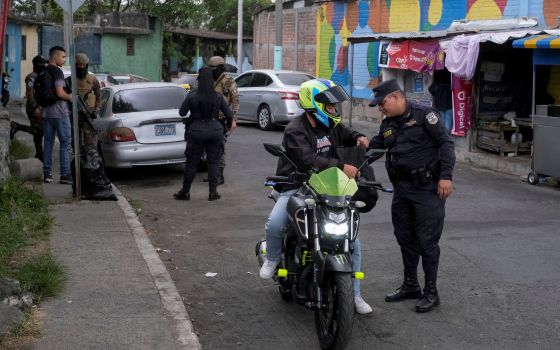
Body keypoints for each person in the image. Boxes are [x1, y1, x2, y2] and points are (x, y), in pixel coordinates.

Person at [259, 79, 374, 315]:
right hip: (296, 185)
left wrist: (359, 137)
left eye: (334, 106)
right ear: (314, 105)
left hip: (325, 187)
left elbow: (347, 134)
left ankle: (355, 295)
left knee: (352, 241)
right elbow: (307, 160)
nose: (334, 109)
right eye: (329, 105)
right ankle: (271, 258)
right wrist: (342, 166)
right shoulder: (295, 130)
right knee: (275, 223)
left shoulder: (331, 127)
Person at [367, 79, 455, 313]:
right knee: (405, 239)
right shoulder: (387, 124)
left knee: (427, 243)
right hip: (402, 190)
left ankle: (431, 292)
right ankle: (410, 285)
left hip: (428, 189)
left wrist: (446, 176)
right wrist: (355, 149)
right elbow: (375, 147)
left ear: (396, 97)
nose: (381, 108)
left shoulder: (425, 115)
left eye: (382, 103)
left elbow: (446, 143)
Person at [174, 67, 233, 201]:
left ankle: (185, 192)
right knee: (213, 162)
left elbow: (182, 113)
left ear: (199, 80)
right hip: (215, 130)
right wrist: (227, 127)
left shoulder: (192, 95)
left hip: (196, 131)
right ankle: (213, 193)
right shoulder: (217, 96)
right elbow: (229, 114)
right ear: (212, 81)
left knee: (191, 163)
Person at [42, 46, 73, 184]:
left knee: (48, 143)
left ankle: (47, 174)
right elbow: (60, 93)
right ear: (55, 57)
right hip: (60, 113)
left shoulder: (43, 71)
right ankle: (65, 174)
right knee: (65, 143)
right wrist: (71, 97)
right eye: (63, 57)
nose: (64, 59)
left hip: (47, 113)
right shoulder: (57, 72)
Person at [207, 55, 239, 185]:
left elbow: (236, 101)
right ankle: (211, 173)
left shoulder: (229, 82)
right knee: (208, 148)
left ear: (220, 68)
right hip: (208, 118)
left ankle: (219, 175)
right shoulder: (208, 80)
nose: (211, 70)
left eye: (213, 68)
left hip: (222, 120)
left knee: (219, 147)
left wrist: (234, 120)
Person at [10, 55, 48, 161]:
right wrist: (35, 107)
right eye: (43, 63)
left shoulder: (41, 75)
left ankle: (39, 154)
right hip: (34, 107)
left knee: (38, 132)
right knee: (40, 131)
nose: (45, 65)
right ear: (38, 64)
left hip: (40, 107)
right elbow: (30, 93)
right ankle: (17, 126)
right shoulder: (32, 77)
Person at [66, 53, 101, 147]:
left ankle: (89, 160)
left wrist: (96, 110)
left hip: (88, 115)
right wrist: (67, 111)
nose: (81, 67)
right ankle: (78, 161)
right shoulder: (69, 81)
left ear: (86, 65)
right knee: (75, 144)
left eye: (83, 65)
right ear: (75, 66)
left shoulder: (93, 79)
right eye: (78, 65)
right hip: (73, 116)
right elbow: (64, 98)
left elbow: (99, 96)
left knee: (90, 144)